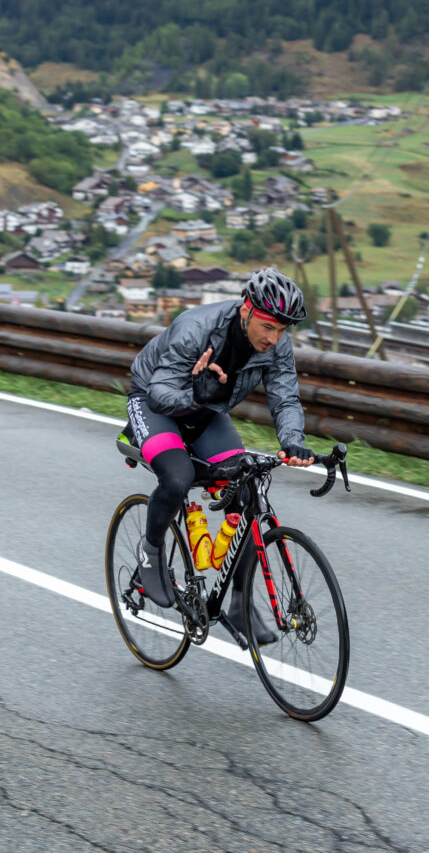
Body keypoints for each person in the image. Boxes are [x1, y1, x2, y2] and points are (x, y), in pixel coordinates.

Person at [126, 266, 315, 644]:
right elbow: (159, 392)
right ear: (246, 309)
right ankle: (151, 554)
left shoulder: (276, 344)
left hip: (205, 411)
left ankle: (240, 606)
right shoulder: (196, 327)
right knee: (178, 478)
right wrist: (197, 393)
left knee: (248, 491)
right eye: (267, 327)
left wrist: (293, 439)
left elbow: (285, 397)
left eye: (282, 331)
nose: (274, 339)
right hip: (154, 405)